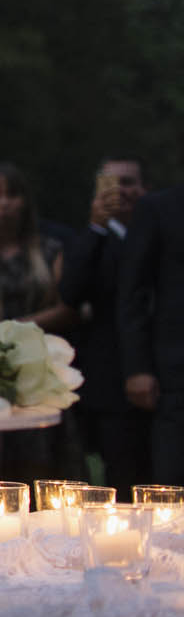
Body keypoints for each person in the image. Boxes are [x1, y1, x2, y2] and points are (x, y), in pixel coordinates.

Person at [0, 162, 84, 485]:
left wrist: (17, 330)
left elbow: (68, 308)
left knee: (45, 457)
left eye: (12, 195)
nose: (4, 203)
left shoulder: (49, 249)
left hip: (40, 363)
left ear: (25, 201)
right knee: (0, 458)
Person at [63, 156, 153, 490]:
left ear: (145, 188)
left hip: (161, 374)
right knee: (121, 474)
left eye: (129, 182)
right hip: (110, 382)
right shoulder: (90, 238)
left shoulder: (159, 235)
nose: (122, 192)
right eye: (112, 184)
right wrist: (97, 225)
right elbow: (71, 291)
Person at [120, 185, 184, 484]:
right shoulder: (160, 207)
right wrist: (137, 367)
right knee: (173, 481)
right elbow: (133, 292)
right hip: (175, 374)